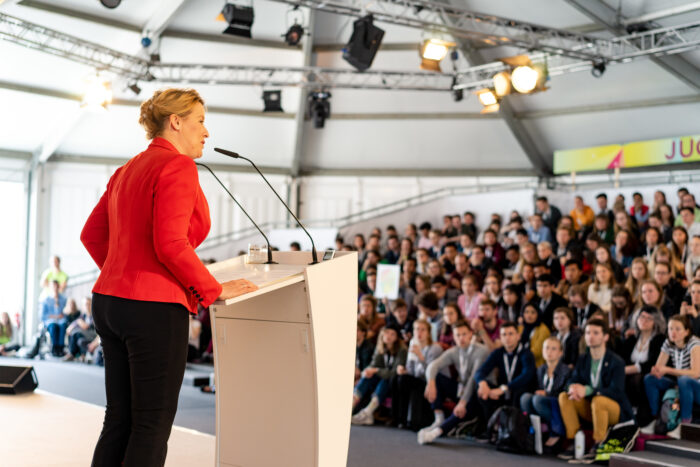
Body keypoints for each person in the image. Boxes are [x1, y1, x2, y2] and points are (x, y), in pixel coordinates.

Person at [80, 88, 258, 466]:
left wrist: (121, 274)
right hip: (153, 309)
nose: (206, 132)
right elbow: (171, 244)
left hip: (109, 303)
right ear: (176, 123)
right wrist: (213, 290)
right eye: (200, 121)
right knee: (150, 426)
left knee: (120, 419)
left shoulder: (127, 169)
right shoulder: (177, 166)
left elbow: (92, 235)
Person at [558, 318, 633, 461]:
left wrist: (588, 390)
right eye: (587, 333)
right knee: (564, 396)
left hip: (614, 410)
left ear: (605, 337)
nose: (590, 336)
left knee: (598, 400)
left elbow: (617, 391)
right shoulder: (583, 358)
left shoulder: (616, 361)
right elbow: (571, 379)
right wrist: (573, 387)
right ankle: (575, 441)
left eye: (595, 333)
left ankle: (599, 442)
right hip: (591, 408)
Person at [418, 321, 490, 444]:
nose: (461, 338)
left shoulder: (482, 351)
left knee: (469, 398)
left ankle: (437, 432)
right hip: (462, 390)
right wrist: (430, 383)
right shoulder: (454, 351)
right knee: (437, 378)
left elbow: (473, 379)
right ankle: (439, 418)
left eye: (464, 334)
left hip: (478, 393)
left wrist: (462, 403)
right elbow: (433, 366)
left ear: (470, 334)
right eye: (457, 335)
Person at [644, 314, 700, 438]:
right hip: (680, 383)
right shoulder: (669, 343)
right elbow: (659, 368)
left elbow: (696, 373)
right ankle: (657, 419)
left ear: (686, 331)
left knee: (685, 380)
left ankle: (684, 424)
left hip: (695, 387)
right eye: (670, 329)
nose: (673, 332)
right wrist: (656, 370)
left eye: (677, 329)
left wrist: (668, 370)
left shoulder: (694, 344)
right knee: (650, 379)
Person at [475, 322, 536, 424]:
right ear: (500, 338)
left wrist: (505, 388)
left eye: (511, 334)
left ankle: (513, 430)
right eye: (504, 335)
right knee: (481, 390)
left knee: (520, 391)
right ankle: (491, 428)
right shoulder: (498, 352)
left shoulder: (526, 353)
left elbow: (527, 375)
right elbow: (480, 372)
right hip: (502, 393)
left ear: (518, 336)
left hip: (517, 391)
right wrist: (482, 383)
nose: (507, 338)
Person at [520, 336, 572, 451]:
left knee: (537, 400)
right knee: (525, 398)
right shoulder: (540, 369)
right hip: (541, 402)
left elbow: (564, 393)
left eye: (553, 349)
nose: (549, 351)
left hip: (557, 404)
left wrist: (547, 394)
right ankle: (532, 431)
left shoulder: (566, 370)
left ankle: (555, 431)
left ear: (560, 353)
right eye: (547, 348)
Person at [352, 325, 408, 425]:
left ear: (396, 338)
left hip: (393, 384)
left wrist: (376, 370)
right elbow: (373, 365)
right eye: (386, 333)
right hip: (380, 379)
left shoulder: (402, 350)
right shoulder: (380, 348)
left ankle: (368, 412)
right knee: (367, 376)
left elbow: (394, 373)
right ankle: (351, 405)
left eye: (392, 334)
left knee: (385, 380)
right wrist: (367, 371)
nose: (389, 336)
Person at [392, 319, 443, 430]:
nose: (419, 333)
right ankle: (399, 419)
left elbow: (431, 373)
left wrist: (420, 357)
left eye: (422, 330)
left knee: (406, 381)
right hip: (417, 379)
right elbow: (411, 371)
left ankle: (410, 420)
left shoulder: (435, 348)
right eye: (416, 329)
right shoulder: (413, 344)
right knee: (399, 378)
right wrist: (403, 369)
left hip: (431, 382)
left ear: (428, 332)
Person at [620, 306, 665, 427]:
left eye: (649, 318)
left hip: (649, 374)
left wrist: (631, 369)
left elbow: (654, 363)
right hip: (629, 375)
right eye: (642, 317)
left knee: (637, 378)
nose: (644, 320)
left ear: (656, 322)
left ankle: (642, 414)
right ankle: (624, 413)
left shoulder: (659, 339)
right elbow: (622, 359)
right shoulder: (632, 338)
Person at [64, 297, 98, 362]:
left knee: (77, 332)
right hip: (85, 334)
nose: (87, 306)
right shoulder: (84, 315)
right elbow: (76, 321)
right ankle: (80, 355)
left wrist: (80, 322)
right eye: (85, 304)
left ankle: (72, 354)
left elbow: (86, 326)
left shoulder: (94, 315)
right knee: (78, 337)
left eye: (88, 304)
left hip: (94, 335)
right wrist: (70, 327)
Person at [39, 280, 68, 357]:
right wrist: (56, 317)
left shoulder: (63, 299)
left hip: (61, 321)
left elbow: (65, 313)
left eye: (56, 286)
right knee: (53, 326)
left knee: (63, 325)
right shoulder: (46, 300)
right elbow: (42, 315)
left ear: (58, 287)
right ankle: (54, 347)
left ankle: (61, 347)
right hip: (50, 321)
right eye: (53, 286)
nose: (55, 288)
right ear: (50, 287)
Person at [519, 302, 551, 367]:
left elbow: (537, 352)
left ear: (538, 314)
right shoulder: (520, 327)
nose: (529, 315)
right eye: (526, 312)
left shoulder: (543, 329)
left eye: (533, 312)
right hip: (521, 362)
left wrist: (518, 356)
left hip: (536, 364)